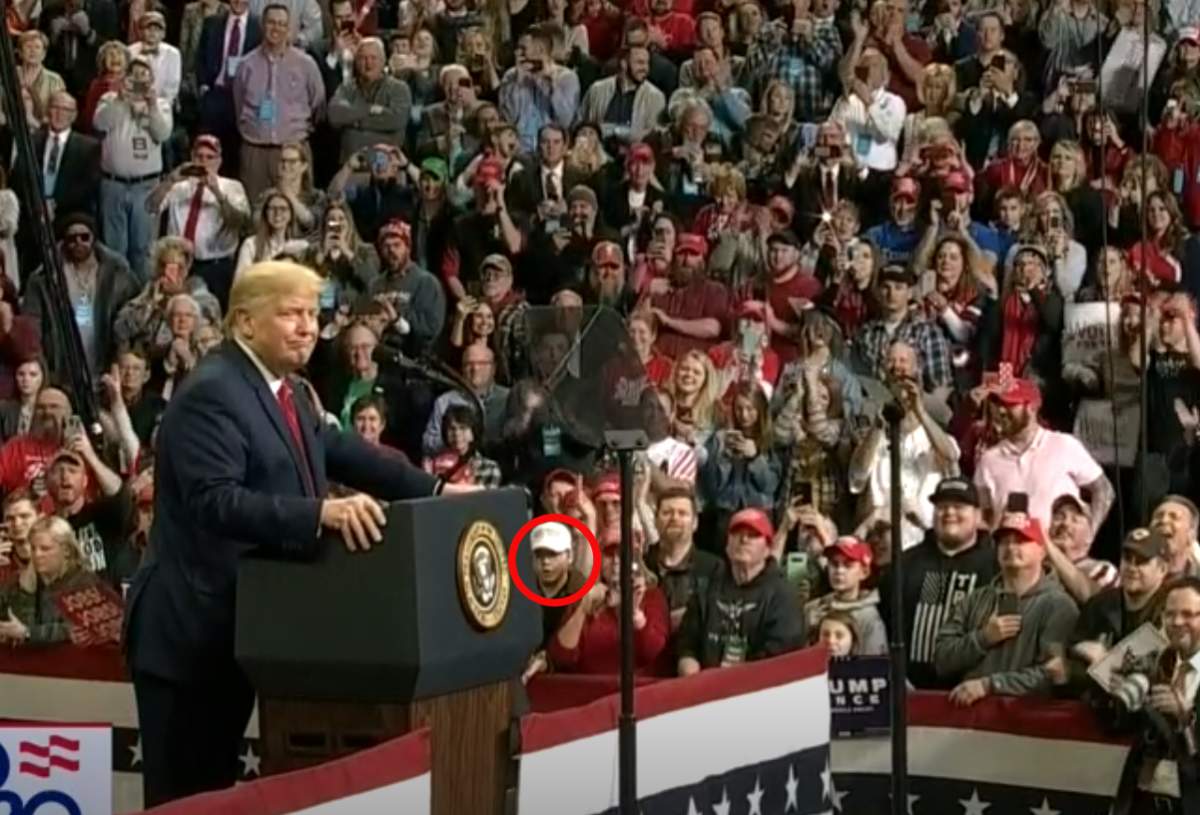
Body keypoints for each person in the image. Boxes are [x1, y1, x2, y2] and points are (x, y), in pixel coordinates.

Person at [123, 260, 479, 806]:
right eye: (291, 314)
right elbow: (214, 501)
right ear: (244, 323)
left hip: (246, 630)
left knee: (218, 796)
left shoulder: (283, 389)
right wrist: (320, 515)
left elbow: (338, 451)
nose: (309, 328)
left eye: (313, 315)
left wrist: (432, 493)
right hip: (188, 638)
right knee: (186, 800)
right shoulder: (212, 393)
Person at [934, 508, 1079, 704]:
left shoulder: (1059, 606)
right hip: (971, 725)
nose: (1010, 547)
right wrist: (983, 638)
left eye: (1020, 540)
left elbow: (1052, 675)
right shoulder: (975, 599)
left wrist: (988, 686)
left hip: (1025, 726)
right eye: (1004, 541)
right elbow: (942, 661)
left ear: (1042, 550)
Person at [881, 476, 998, 688]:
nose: (949, 513)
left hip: (973, 694)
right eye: (942, 506)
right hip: (909, 692)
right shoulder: (905, 563)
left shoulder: (996, 566)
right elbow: (884, 621)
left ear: (978, 515)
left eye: (959, 506)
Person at [974, 376, 1114, 531]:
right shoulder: (988, 460)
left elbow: (1103, 489)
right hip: (1012, 550)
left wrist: (1089, 534)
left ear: (1032, 407)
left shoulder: (1063, 445)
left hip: (1058, 551)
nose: (1001, 410)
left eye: (1010, 404)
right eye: (998, 404)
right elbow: (982, 513)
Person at [676, 508, 806, 674]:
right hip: (705, 689)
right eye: (737, 533)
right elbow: (687, 644)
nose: (743, 539)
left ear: (768, 548)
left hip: (759, 692)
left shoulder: (784, 596)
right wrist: (692, 678)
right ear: (727, 544)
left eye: (753, 535)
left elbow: (780, 657)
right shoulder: (707, 587)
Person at [804, 536, 887, 655]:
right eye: (834, 564)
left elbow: (872, 667)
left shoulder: (869, 619)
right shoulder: (814, 608)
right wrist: (806, 628)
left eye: (848, 565)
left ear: (864, 572)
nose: (839, 571)